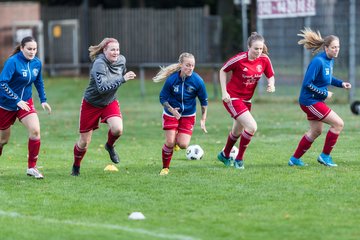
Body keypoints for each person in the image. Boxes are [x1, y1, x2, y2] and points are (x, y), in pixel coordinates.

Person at [71, 38, 136, 176]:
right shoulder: (99, 64)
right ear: (104, 50)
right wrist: (122, 79)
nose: (116, 52)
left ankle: (109, 146)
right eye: (112, 49)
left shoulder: (121, 61)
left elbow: (119, 74)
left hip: (109, 102)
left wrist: (121, 78)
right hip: (91, 104)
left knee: (118, 129)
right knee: (84, 142)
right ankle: (76, 167)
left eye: (117, 49)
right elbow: (102, 88)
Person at [288, 28, 351, 167]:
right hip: (309, 101)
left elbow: (328, 78)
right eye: (333, 47)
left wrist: (341, 83)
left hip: (315, 100)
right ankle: (325, 156)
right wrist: (324, 94)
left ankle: (294, 160)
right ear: (326, 48)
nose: (336, 50)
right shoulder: (318, 61)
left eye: (338, 47)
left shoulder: (330, 60)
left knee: (316, 131)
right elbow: (307, 84)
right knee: (338, 124)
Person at [217, 32, 275, 170]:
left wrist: (271, 84)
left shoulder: (264, 59)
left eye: (261, 48)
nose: (259, 51)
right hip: (232, 98)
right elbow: (223, 70)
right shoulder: (239, 59)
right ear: (248, 47)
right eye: (256, 48)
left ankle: (224, 155)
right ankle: (239, 159)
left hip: (247, 100)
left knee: (237, 131)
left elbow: (271, 75)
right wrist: (224, 92)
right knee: (252, 127)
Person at [0, 36, 52, 179]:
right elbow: (2, 83)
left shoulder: (37, 63)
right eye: (29, 49)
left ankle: (32, 168)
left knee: (35, 131)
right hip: (5, 104)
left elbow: (39, 82)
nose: (32, 52)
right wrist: (16, 100)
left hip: (26, 103)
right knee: (3, 141)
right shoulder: (13, 62)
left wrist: (43, 100)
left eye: (34, 49)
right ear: (22, 48)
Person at [153, 52, 208, 175]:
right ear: (181, 65)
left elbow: (204, 101)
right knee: (170, 142)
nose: (190, 68)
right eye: (187, 65)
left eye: (192, 65)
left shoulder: (198, 81)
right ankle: (165, 168)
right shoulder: (172, 79)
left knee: (183, 144)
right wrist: (172, 110)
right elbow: (162, 98)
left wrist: (203, 119)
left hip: (188, 115)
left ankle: (176, 140)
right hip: (170, 113)